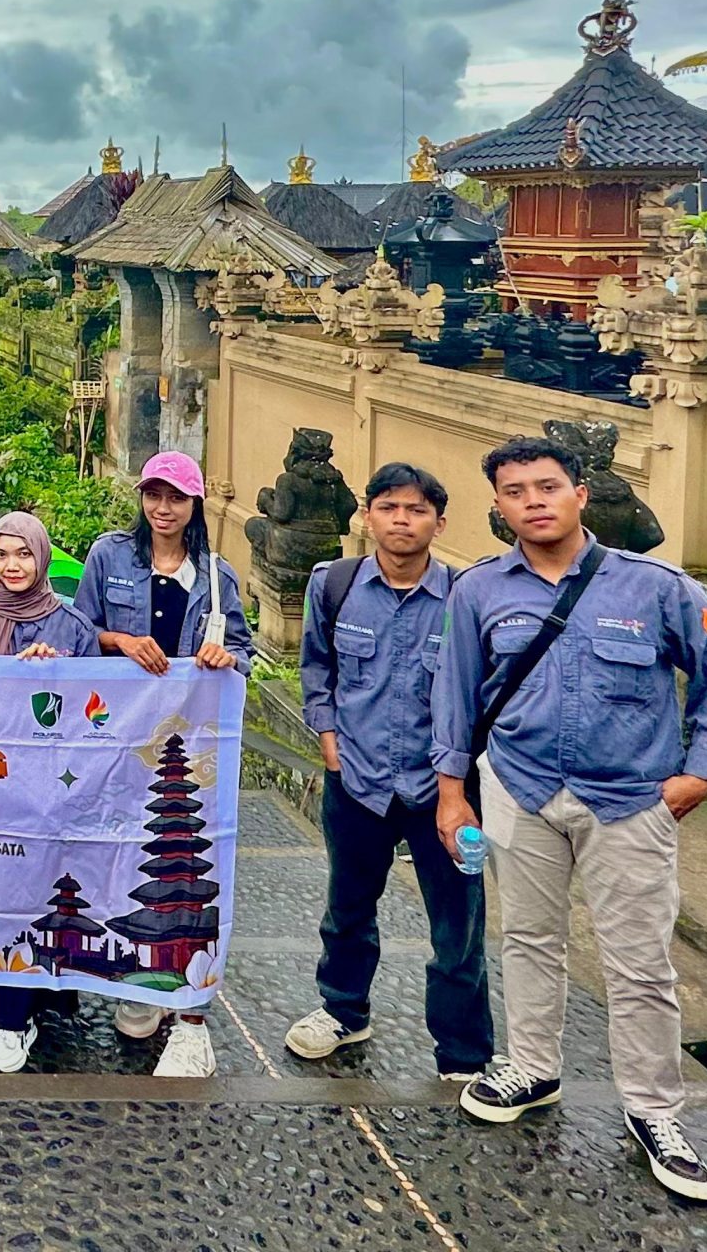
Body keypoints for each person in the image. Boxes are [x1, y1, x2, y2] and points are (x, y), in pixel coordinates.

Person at [435, 435, 707, 1204]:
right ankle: (532, 1067)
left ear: (579, 494)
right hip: (520, 789)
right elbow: (455, 690)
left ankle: (654, 1110)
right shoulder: (478, 590)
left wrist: (700, 775)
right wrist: (452, 792)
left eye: (547, 486)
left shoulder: (656, 587)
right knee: (527, 938)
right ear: (498, 506)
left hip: (630, 799)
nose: (533, 502)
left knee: (639, 962)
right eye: (515, 491)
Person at [284, 462, 491, 1083]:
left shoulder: (465, 597)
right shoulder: (334, 585)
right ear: (368, 515)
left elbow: (481, 690)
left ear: (439, 523)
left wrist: (461, 777)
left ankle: (463, 1052)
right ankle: (343, 1011)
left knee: (457, 924)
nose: (402, 520)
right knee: (347, 908)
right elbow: (317, 669)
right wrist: (329, 744)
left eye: (417, 510)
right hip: (358, 780)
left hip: (444, 790)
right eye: (389, 507)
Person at [73, 448, 250, 1078]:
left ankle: (190, 1013)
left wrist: (227, 660)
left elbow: (244, 650)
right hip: (120, 737)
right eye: (154, 495)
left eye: (176, 497)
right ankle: (139, 984)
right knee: (125, 857)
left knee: (192, 865)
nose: (163, 508)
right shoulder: (109, 556)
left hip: (189, 747)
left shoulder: (216, 576)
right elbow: (78, 631)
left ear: (195, 503)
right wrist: (120, 640)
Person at [0, 510, 108, 1072]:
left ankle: (15, 1017)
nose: (12, 565)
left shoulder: (72, 625)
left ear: (41, 557)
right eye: (1, 554)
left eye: (23, 554)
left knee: (34, 895)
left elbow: (98, 713)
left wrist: (52, 677)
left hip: (46, 790)